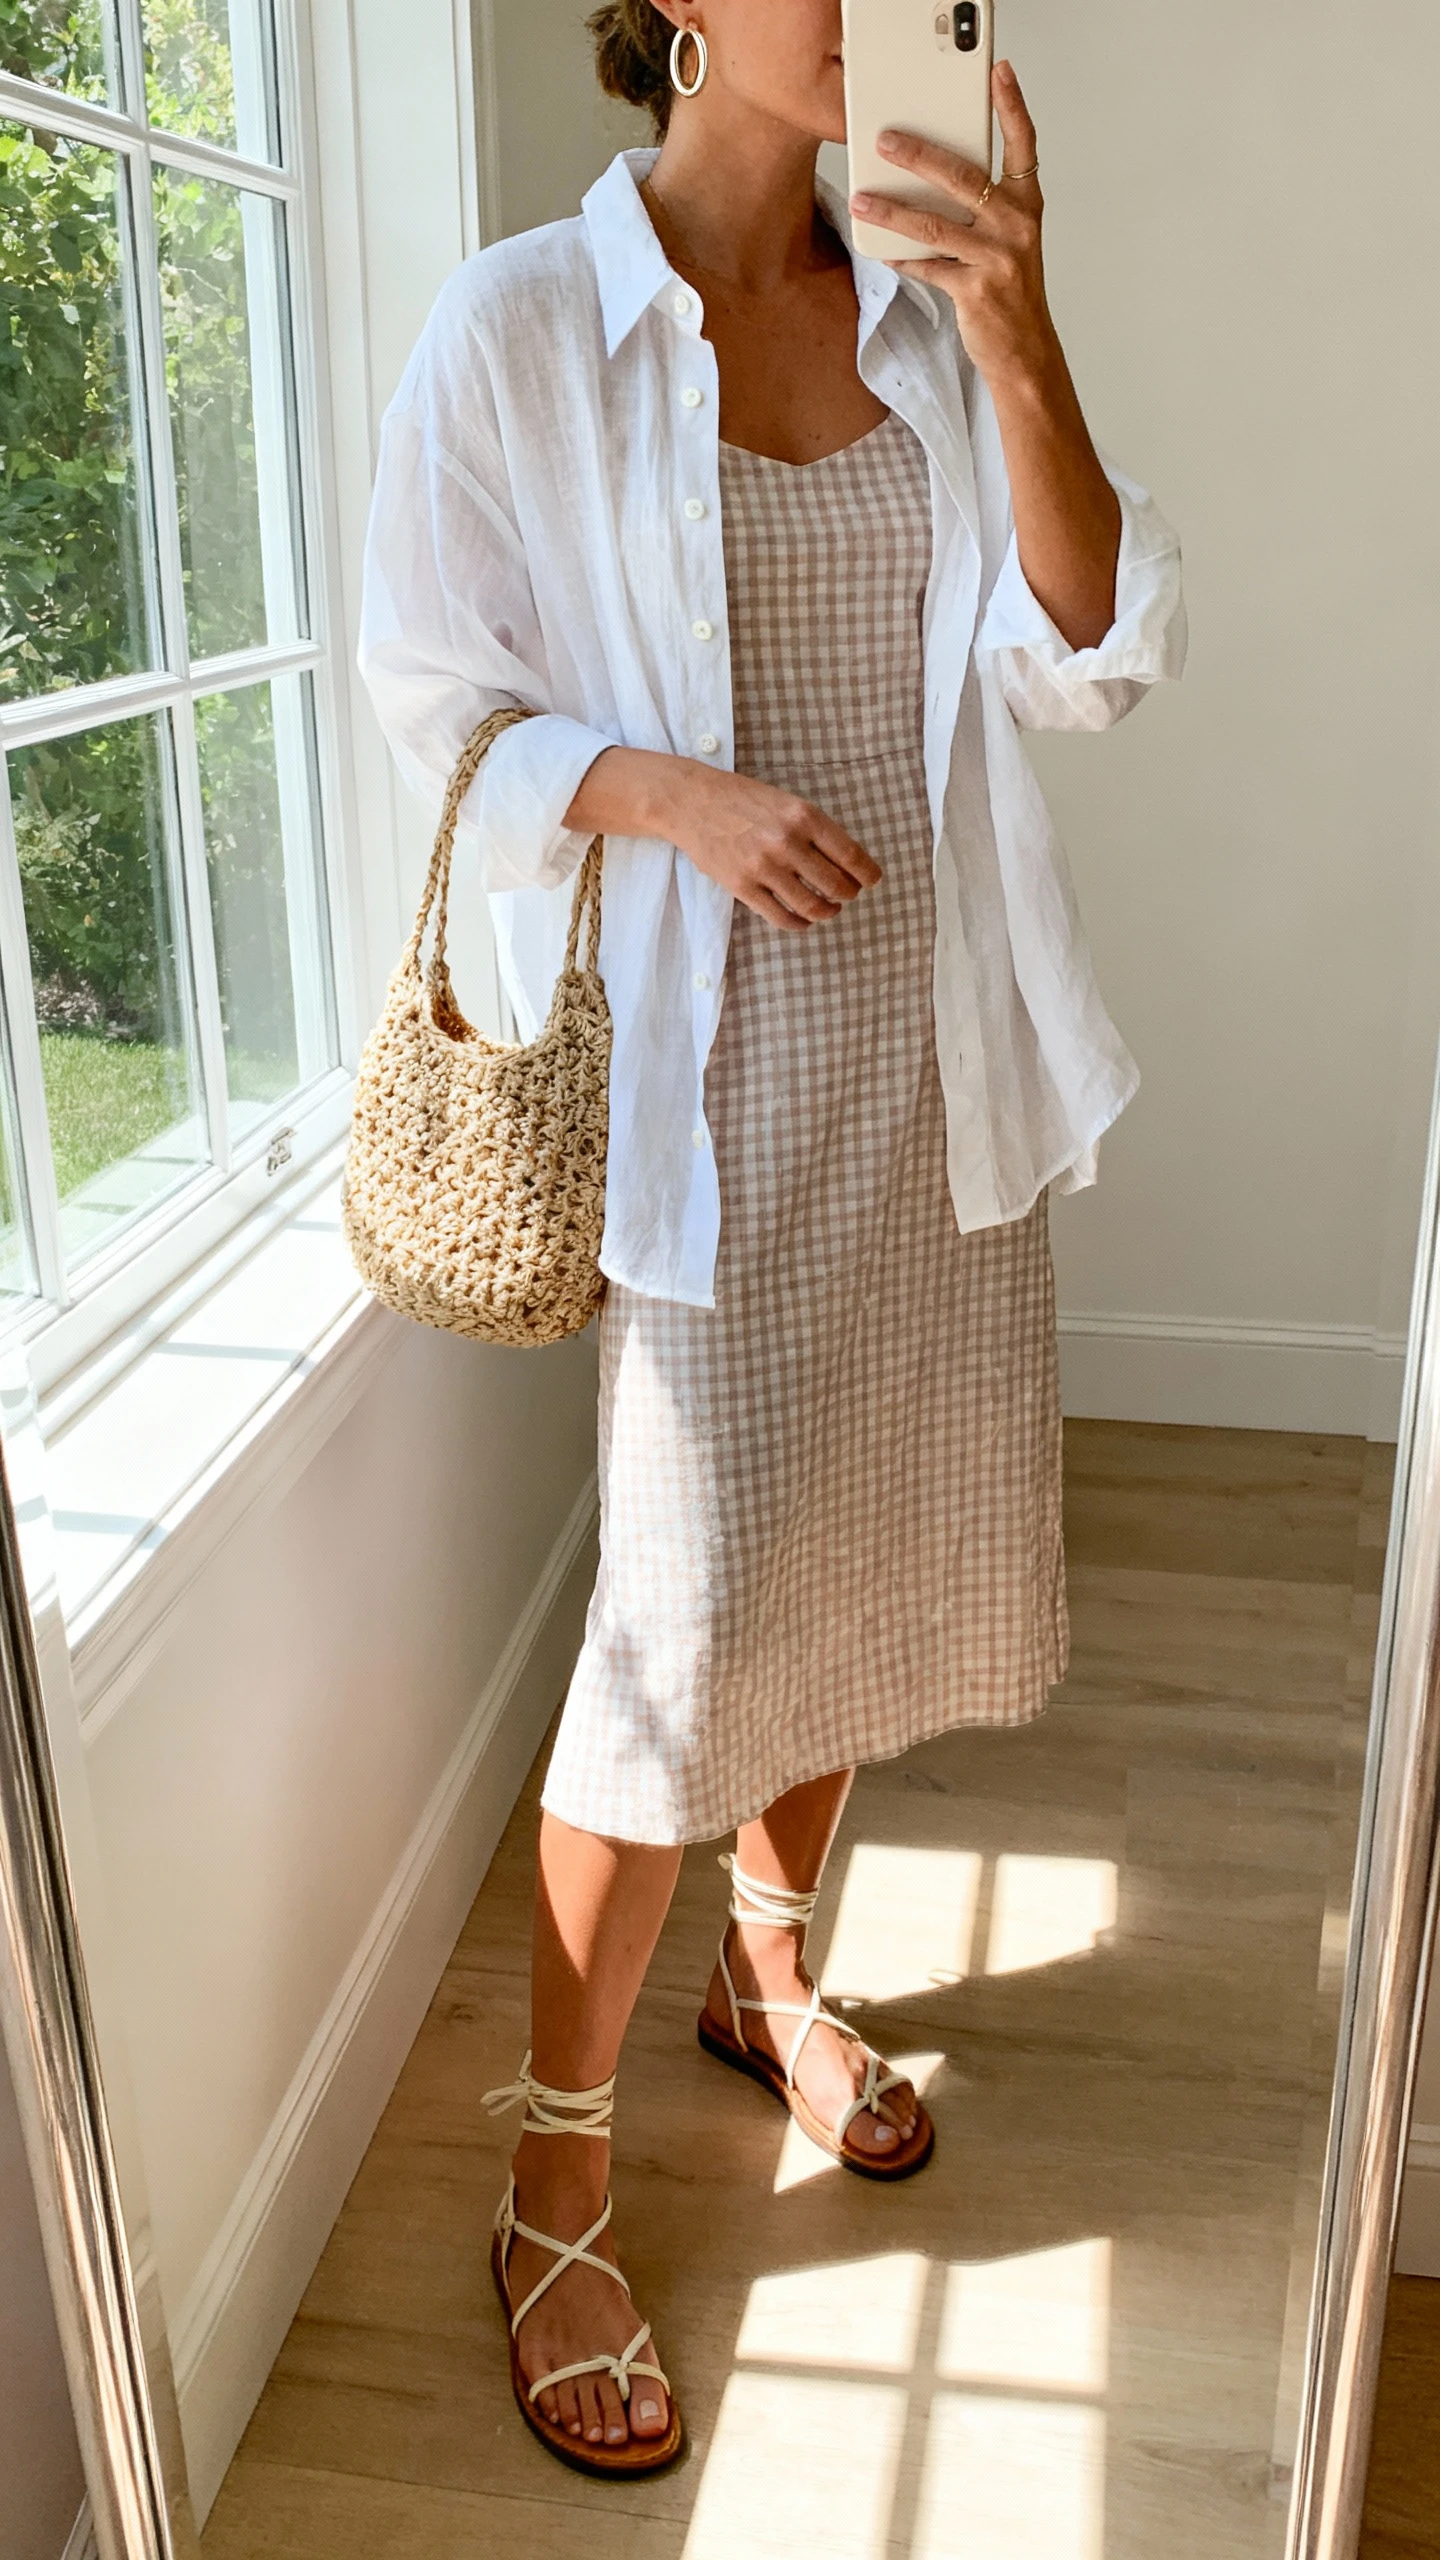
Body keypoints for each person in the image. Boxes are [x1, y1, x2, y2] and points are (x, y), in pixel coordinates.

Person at [359, 0, 1184, 2480]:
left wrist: (1028, 333)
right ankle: (554, 2173)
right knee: (683, 1628)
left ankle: (773, 1972)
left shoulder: (931, 303)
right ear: (685, 6)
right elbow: (431, 697)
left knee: (865, 1571)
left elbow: (1091, 658)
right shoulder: (522, 325)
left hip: (937, 1060)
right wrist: (680, 799)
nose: (917, 12)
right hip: (715, 1094)